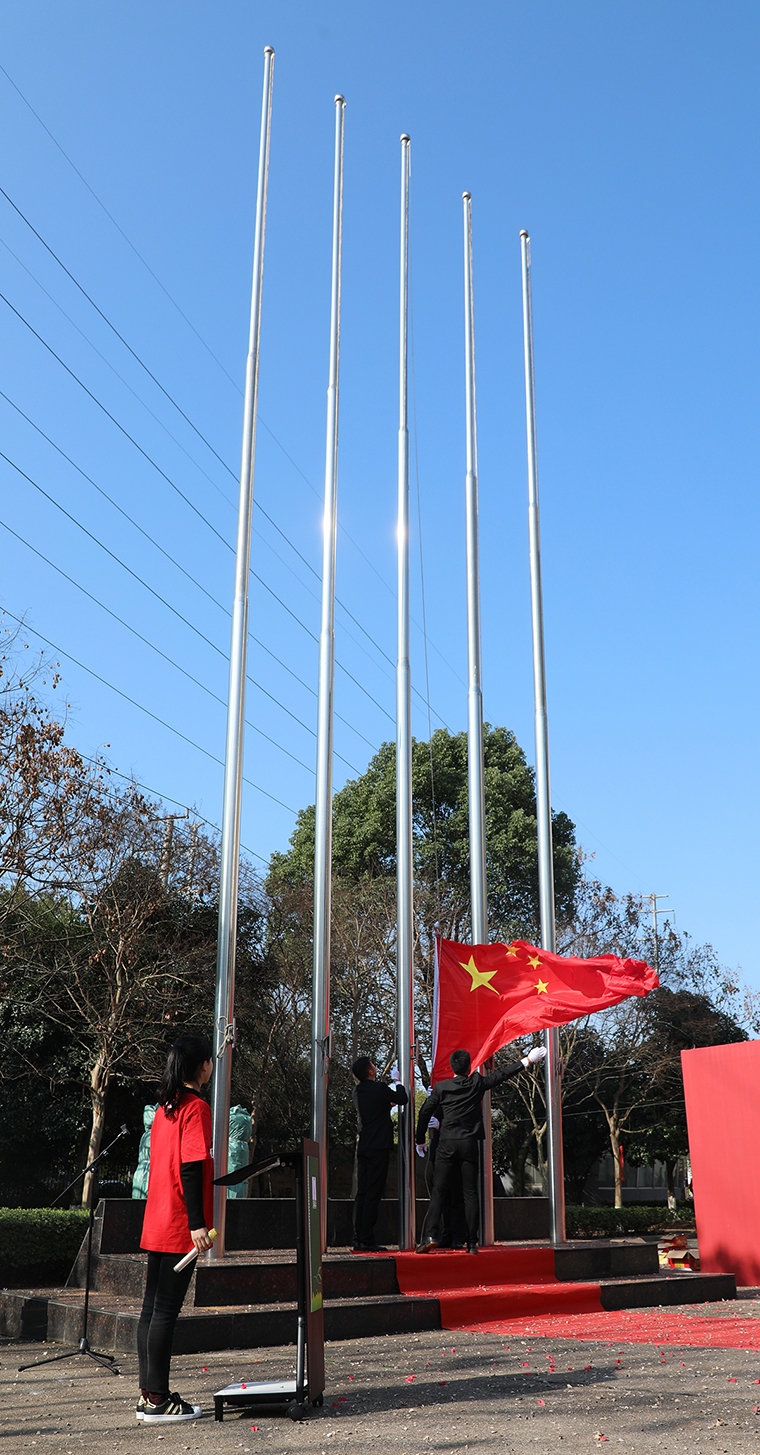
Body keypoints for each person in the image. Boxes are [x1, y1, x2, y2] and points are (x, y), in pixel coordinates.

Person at [136, 1035, 215, 1423]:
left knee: (151, 1309)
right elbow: (192, 1167)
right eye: (210, 1061)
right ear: (202, 1067)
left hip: (157, 1217)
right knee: (165, 1311)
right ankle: (158, 1400)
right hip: (180, 1223)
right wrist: (198, 1224)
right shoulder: (196, 1107)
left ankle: (148, 1394)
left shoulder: (164, 1108)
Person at [415, 1044, 546, 1254]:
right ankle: (471, 1243)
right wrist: (528, 1060)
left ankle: (430, 1236)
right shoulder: (476, 1083)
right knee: (470, 1192)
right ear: (469, 1067)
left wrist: (420, 1139)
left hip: (447, 1144)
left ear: (452, 1067)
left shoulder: (441, 1088)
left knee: (439, 1190)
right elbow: (501, 1075)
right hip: (469, 1143)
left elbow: (424, 1112)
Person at [352, 1056, 408, 1252]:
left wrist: (385, 1105)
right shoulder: (380, 1088)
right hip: (379, 1146)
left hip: (365, 1145)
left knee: (362, 1192)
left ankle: (358, 1237)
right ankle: (367, 1239)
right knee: (373, 1193)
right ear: (370, 1071)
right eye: (373, 1065)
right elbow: (402, 1098)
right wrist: (397, 1082)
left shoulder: (357, 1091)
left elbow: (373, 1108)